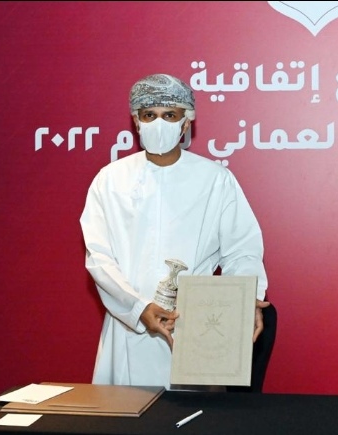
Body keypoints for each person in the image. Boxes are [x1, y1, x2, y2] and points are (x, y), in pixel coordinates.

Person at [80, 73, 270, 389]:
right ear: (136, 121)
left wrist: (246, 300)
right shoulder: (110, 180)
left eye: (169, 115)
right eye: (149, 115)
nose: (159, 123)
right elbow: (99, 258)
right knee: (126, 413)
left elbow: (242, 250)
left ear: (186, 122)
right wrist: (138, 307)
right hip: (129, 327)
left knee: (193, 413)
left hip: (197, 328)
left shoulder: (215, 179)